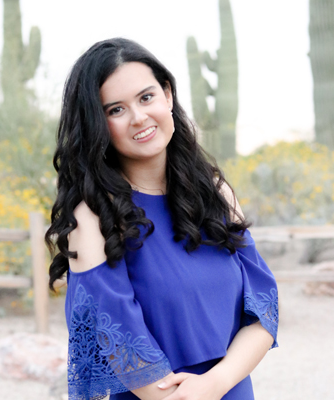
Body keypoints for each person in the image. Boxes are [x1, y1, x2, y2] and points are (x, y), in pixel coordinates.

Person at [45, 37, 278, 400]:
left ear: (167, 95)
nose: (139, 117)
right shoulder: (92, 217)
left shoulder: (215, 192)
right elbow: (121, 343)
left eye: (146, 97)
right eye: (116, 110)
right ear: (96, 124)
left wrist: (216, 383)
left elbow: (263, 306)